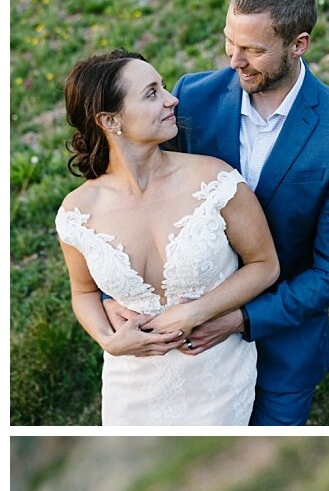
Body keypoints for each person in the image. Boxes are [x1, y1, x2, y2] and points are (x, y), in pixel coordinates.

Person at [175, 0, 329, 430]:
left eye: (253, 50)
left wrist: (240, 319)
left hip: (282, 349)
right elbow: (138, 196)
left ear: (298, 44)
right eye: (230, 40)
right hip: (184, 337)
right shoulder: (190, 98)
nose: (234, 60)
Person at [54, 51, 279, 428]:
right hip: (130, 386)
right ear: (110, 120)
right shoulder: (78, 213)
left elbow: (264, 265)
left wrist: (197, 310)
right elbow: (84, 293)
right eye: (152, 93)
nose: (172, 99)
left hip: (215, 375)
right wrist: (108, 341)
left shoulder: (216, 181)